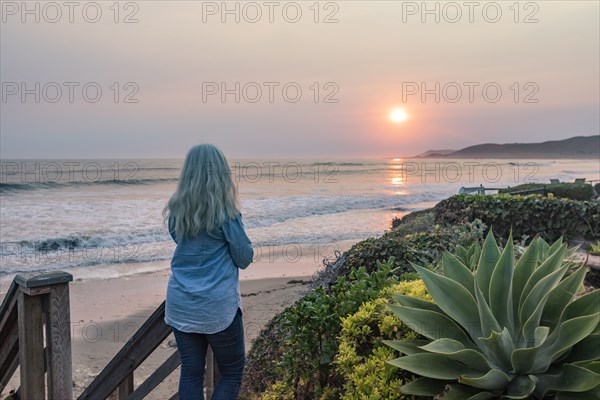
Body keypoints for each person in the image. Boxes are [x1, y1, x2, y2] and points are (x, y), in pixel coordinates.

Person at [163, 144, 253, 400]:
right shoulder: (226, 213)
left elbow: (182, 245)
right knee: (233, 372)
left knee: (191, 373)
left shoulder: (176, 212)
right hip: (217, 305)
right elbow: (244, 257)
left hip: (181, 302)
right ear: (221, 172)